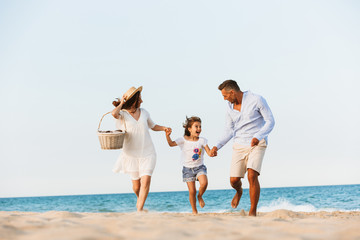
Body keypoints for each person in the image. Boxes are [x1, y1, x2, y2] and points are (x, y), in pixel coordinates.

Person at [211, 80, 275, 216]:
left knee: (252, 175)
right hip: (239, 144)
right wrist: (217, 146)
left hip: (257, 143)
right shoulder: (229, 108)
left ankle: (253, 211)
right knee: (234, 180)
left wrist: (258, 136)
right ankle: (239, 191)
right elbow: (229, 130)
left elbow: (270, 121)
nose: (224, 99)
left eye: (225, 96)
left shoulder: (256, 100)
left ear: (232, 92)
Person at [112, 86, 170, 212]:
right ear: (134, 99)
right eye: (140, 98)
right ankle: (141, 205)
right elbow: (113, 113)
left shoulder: (144, 112)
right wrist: (122, 103)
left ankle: (139, 210)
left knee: (146, 181)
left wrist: (164, 128)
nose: (142, 101)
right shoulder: (122, 114)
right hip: (131, 155)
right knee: (136, 186)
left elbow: (153, 126)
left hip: (148, 153)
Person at [165, 116, 213, 214]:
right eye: (196, 126)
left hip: (200, 167)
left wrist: (213, 152)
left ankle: (200, 196)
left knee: (204, 183)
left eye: (200, 126)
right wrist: (167, 136)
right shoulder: (183, 140)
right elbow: (171, 144)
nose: (199, 129)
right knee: (192, 191)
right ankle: (194, 210)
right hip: (187, 170)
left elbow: (209, 152)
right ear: (189, 129)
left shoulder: (202, 140)